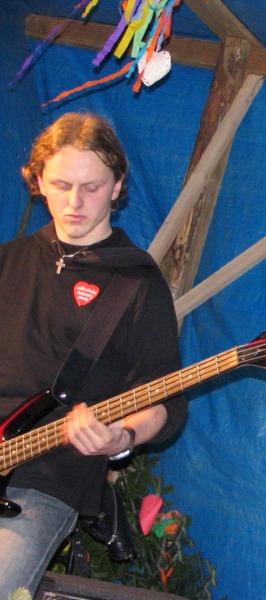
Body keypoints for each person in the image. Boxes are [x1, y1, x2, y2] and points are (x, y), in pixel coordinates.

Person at [0, 112, 187, 596]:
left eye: (92, 187)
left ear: (118, 186)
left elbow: (164, 401)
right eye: (61, 185)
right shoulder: (8, 261)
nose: (75, 202)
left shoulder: (135, 284)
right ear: (37, 181)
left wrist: (121, 437)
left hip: (46, 479)